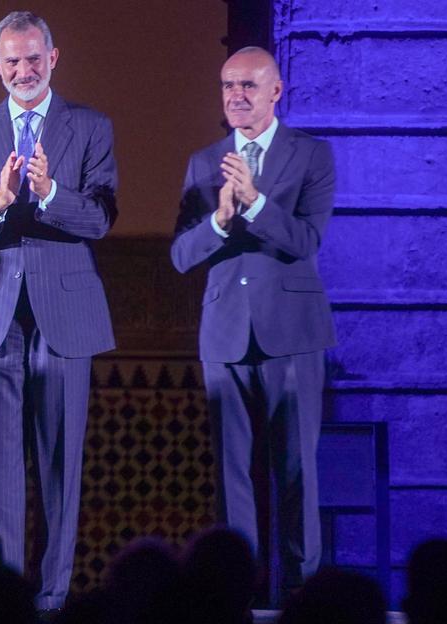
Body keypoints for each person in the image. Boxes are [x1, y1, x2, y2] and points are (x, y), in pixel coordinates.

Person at [0, 11, 117, 611]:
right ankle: (4, 599)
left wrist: (50, 196)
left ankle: (53, 596)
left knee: (60, 462)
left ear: (53, 58)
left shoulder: (90, 126)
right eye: (11, 60)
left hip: (65, 312)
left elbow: (100, 217)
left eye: (34, 58)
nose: (23, 69)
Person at [170, 46, 336, 596]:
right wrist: (220, 219)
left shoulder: (311, 155)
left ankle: (302, 597)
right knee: (231, 474)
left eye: (247, 86)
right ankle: (235, 597)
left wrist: (257, 204)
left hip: (292, 332)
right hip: (224, 332)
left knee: (296, 472)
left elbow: (307, 240)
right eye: (227, 86)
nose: (236, 96)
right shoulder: (202, 161)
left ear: (275, 91)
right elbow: (181, 255)